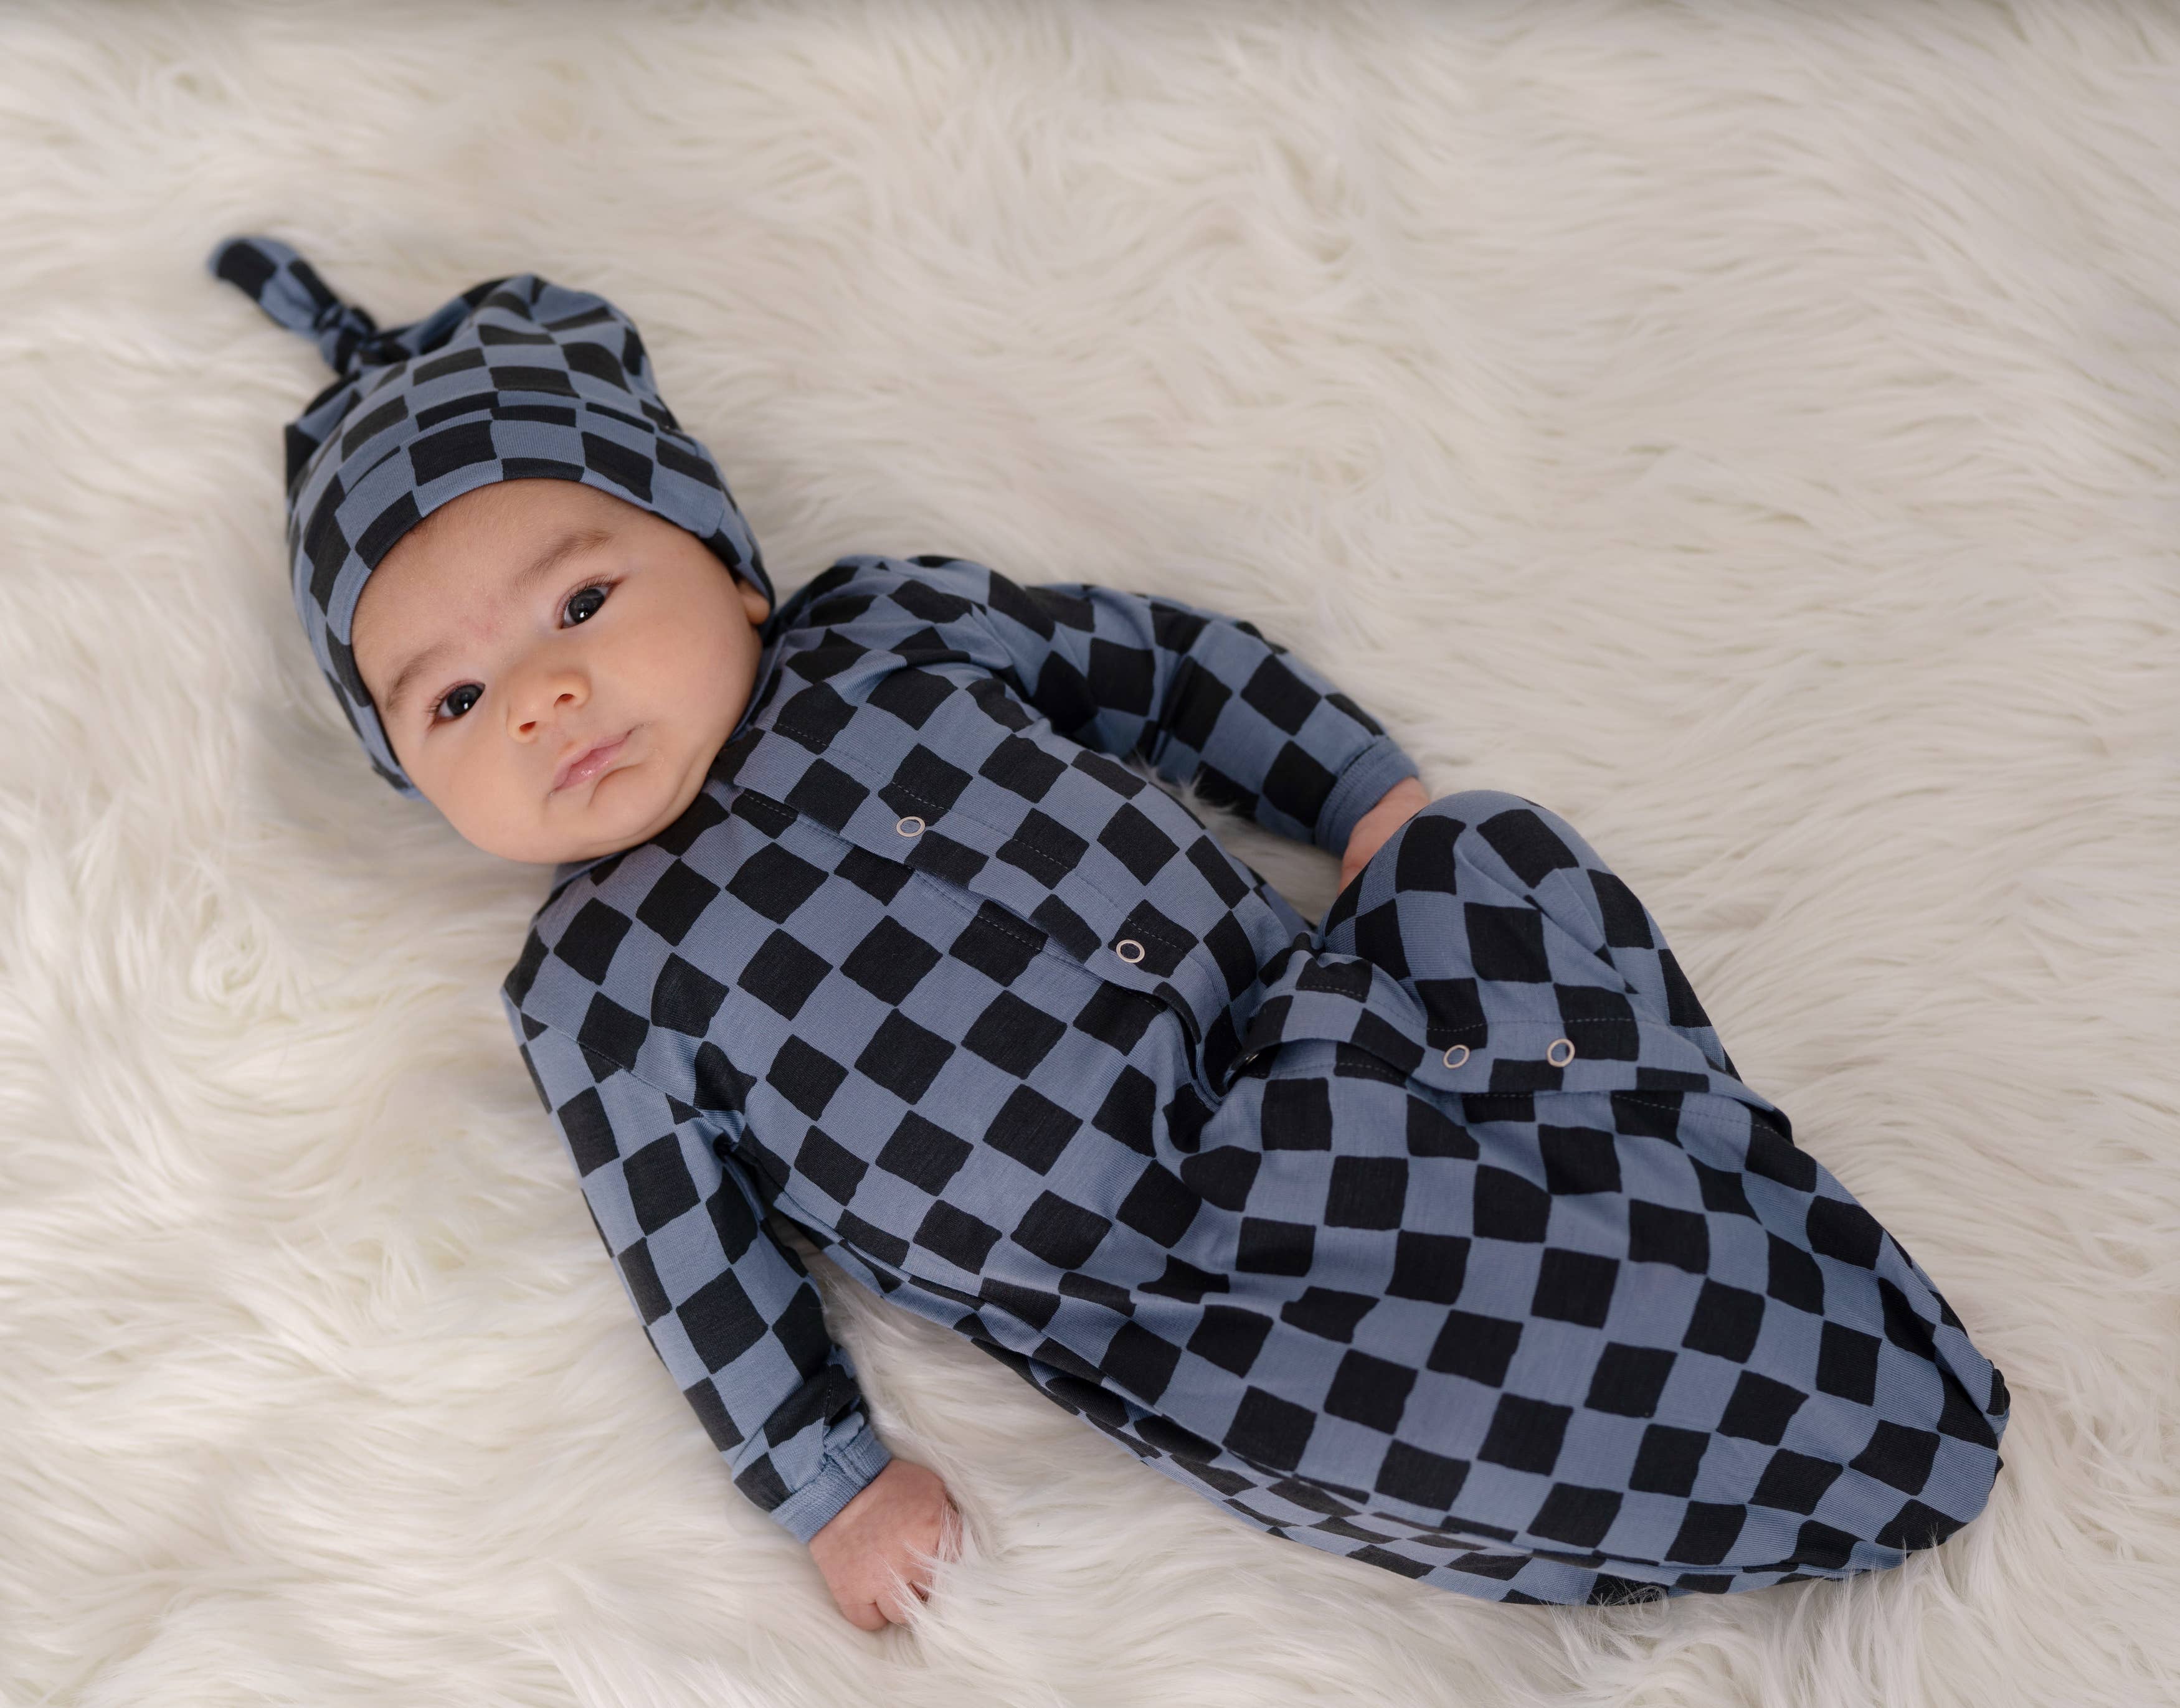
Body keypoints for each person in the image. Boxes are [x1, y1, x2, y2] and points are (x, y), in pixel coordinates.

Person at [207, 233, 2009, 1627]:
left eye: (584, 599)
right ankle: (1804, 1451)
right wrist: (830, 1483)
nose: (543, 696)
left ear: (730, 568)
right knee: (1461, 1399)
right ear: (414, 779)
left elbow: (1160, 669)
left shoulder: (890, 630)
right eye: (452, 704)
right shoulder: (598, 982)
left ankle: (1797, 1314)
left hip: (1338, 1016)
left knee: (1495, 866)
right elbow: (688, 1252)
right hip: (1171, 1284)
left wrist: (1355, 798)